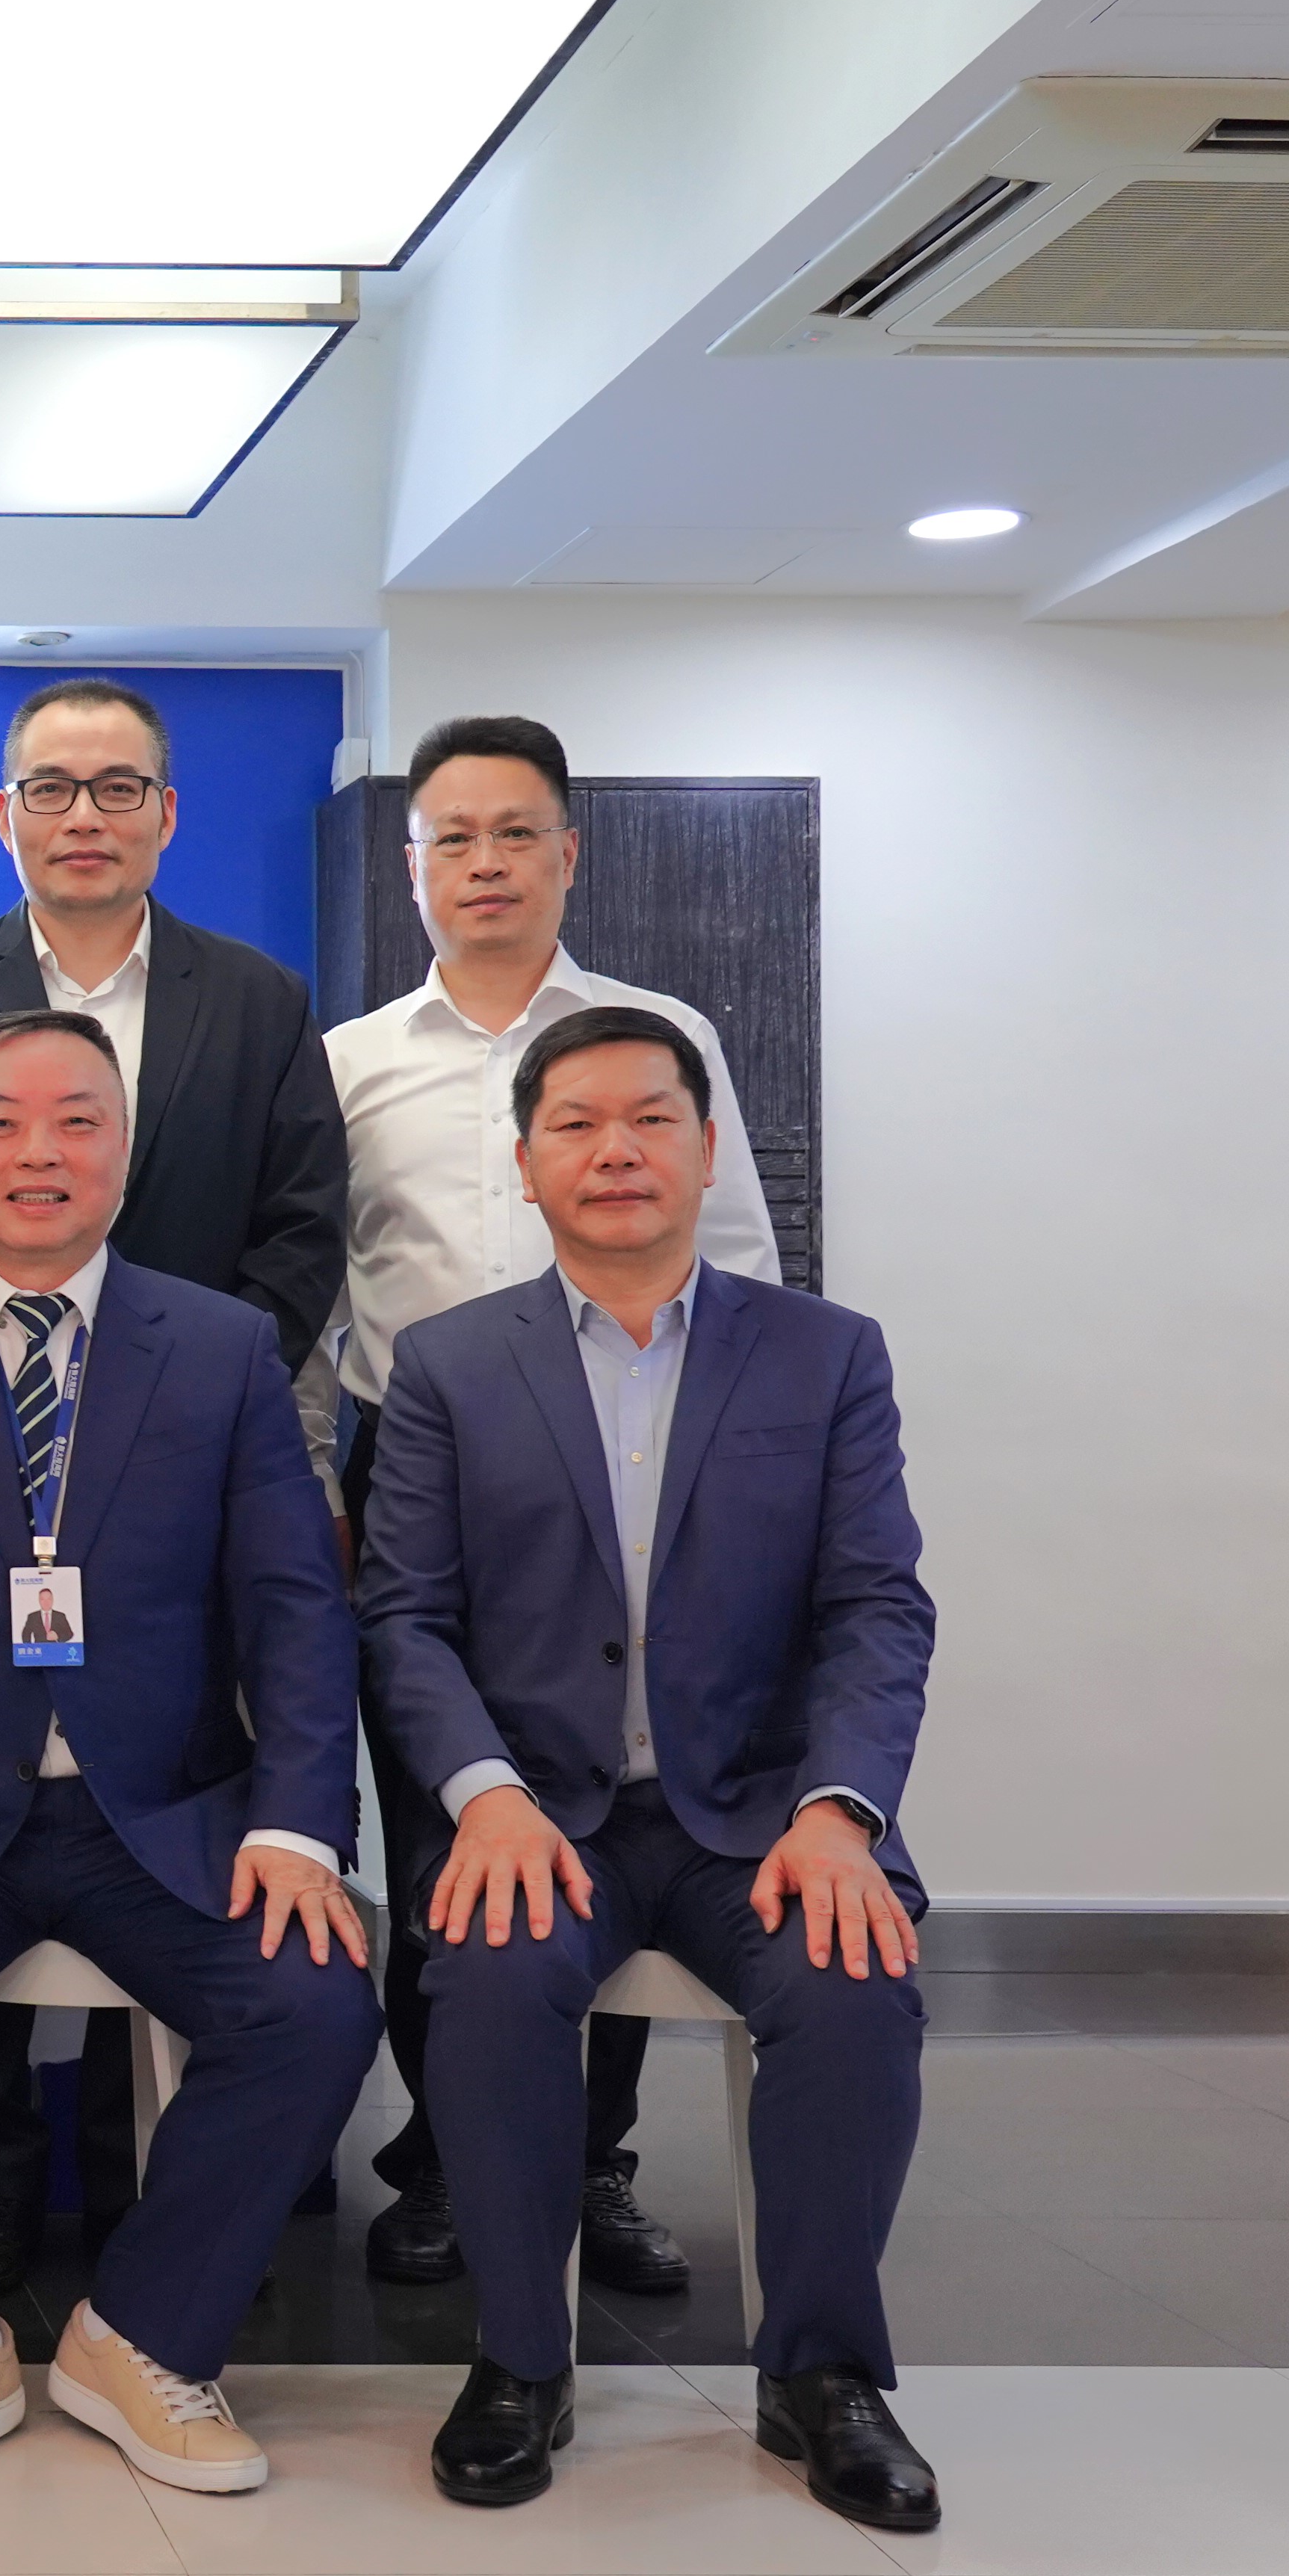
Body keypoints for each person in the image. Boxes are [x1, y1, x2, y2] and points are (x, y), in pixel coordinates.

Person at [0, 1009, 377, 2496]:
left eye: (77, 1119)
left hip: (160, 1815)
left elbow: (294, 1605)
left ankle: (142, 2332)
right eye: (2, 1121)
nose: (40, 1152)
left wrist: (297, 1824)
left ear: (126, 1146)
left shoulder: (223, 1348)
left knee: (316, 1999)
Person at [356, 1006, 941, 2529]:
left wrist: (841, 1810)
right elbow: (404, 1619)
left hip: (762, 1816)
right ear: (526, 1164)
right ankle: (519, 2357)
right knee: (488, 1973)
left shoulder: (825, 1355)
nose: (615, 1150)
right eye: (576, 1124)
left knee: (853, 1978)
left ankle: (822, 2370)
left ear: (707, 1145)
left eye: (650, 1118)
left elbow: (877, 1605)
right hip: (539, 1811)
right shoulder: (448, 1366)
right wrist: (480, 1796)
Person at [0, 677, 349, 2288]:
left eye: (119, 787)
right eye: (52, 788)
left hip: (185, 1468)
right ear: (6, 815)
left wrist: (179, 1397)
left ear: (166, 814)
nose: (84, 816)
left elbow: (303, 1225)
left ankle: (148, 2214)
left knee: (152, 1773)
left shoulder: (254, 1000)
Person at [325, 714, 782, 2295]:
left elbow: (742, 1261)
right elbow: (321, 1291)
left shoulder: (656, 1037)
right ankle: (451, 2158)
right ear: (411, 868)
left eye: (515, 832)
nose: (485, 863)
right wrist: (317, 1476)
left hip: (632, 1461)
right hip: (419, 1477)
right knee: (444, 1824)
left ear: (568, 853)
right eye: (451, 837)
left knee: (615, 1801)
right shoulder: (352, 1063)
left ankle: (592, 2161)